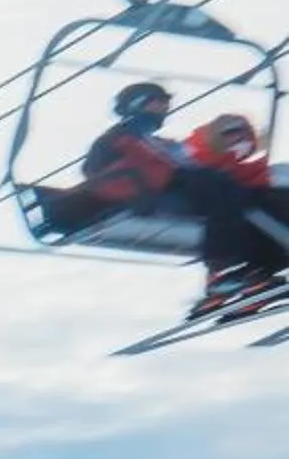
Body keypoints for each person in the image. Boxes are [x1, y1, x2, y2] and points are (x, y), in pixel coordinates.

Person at [45, 83, 287, 317]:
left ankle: (255, 276)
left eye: (166, 102)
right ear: (139, 104)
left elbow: (179, 160)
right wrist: (166, 175)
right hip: (155, 196)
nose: (165, 107)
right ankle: (222, 275)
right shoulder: (121, 136)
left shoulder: (149, 138)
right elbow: (100, 171)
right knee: (224, 190)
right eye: (159, 102)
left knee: (264, 202)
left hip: (173, 190)